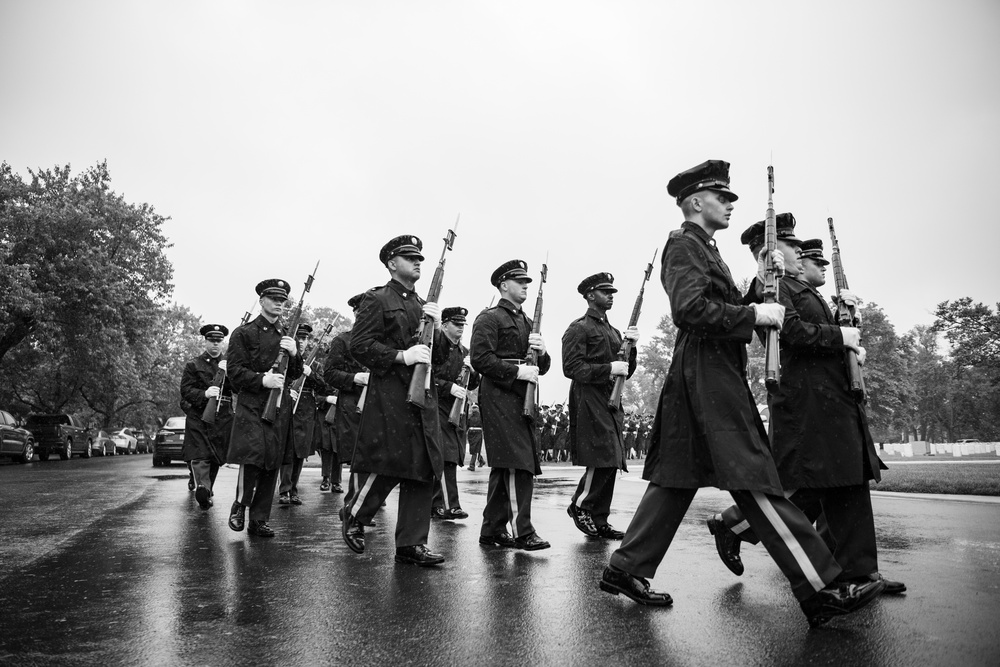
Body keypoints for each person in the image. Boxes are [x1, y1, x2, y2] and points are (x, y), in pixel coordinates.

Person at [599, 159, 885, 628]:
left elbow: (727, 304)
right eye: (722, 197)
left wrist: (757, 286)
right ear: (695, 202)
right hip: (707, 371)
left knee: (676, 477)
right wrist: (756, 316)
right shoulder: (683, 245)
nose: (731, 204)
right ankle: (821, 586)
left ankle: (625, 567)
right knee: (753, 474)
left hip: (707, 369)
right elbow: (691, 310)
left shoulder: (705, 249)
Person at [706, 232, 905, 594]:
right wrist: (841, 336)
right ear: (771, 250)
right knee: (814, 486)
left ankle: (860, 572)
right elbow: (792, 333)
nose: (800, 252)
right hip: (809, 404)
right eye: (792, 246)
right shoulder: (778, 287)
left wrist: (849, 336)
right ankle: (733, 525)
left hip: (830, 400)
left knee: (844, 483)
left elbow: (819, 336)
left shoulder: (802, 289)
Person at [341, 235, 449, 566]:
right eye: (410, 257)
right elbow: (359, 345)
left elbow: (440, 358)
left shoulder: (423, 305)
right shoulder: (377, 299)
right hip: (390, 396)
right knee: (391, 461)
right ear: (392, 263)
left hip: (422, 398)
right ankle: (356, 516)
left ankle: (411, 544)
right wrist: (401, 356)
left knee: (421, 468)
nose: (418, 262)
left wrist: (439, 326)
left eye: (420, 258)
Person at [471, 259, 552, 551]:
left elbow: (543, 366)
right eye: (521, 282)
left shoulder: (527, 321)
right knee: (519, 464)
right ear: (504, 285)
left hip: (522, 394)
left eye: (528, 283)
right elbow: (480, 359)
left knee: (507, 464)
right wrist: (516, 371)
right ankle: (522, 532)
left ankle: (492, 530)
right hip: (500, 395)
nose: (526, 286)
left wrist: (542, 354)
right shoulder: (489, 318)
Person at [562, 272, 639, 540]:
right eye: (605, 292)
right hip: (589, 396)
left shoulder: (613, 331)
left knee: (613, 457)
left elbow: (626, 370)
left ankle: (599, 517)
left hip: (611, 398)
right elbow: (571, 367)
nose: (611, 296)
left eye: (612, 292)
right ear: (590, 295)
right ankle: (581, 505)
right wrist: (608, 368)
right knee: (602, 454)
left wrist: (632, 346)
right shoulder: (579, 328)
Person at [225, 279, 303, 538]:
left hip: (277, 406)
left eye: (283, 300)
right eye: (274, 299)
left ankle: (259, 519)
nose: (279, 303)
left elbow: (296, 373)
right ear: (262, 301)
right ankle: (240, 504)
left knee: (272, 460)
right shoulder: (243, 333)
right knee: (253, 457)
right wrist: (262, 380)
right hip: (252, 405)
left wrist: (295, 354)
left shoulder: (286, 336)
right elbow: (234, 373)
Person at [431, 306, 480, 520]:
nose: (461, 328)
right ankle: (449, 505)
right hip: (435, 406)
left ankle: (438, 504)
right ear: (443, 326)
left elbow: (473, 384)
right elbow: (425, 376)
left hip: (455, 410)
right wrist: (447, 386)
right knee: (445, 456)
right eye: (456, 324)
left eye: (462, 325)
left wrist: (474, 370)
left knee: (448, 456)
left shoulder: (465, 352)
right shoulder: (435, 347)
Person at [180, 324, 233, 509]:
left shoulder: (229, 364)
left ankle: (207, 489)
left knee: (215, 457)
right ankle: (202, 486)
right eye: (212, 340)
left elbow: (239, 387)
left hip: (222, 417)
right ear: (205, 341)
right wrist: (204, 394)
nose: (215, 345)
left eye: (219, 341)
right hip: (199, 416)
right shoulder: (193, 365)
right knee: (200, 455)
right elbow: (185, 390)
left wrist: (230, 371)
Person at [324, 294, 369, 498]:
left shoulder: (382, 341)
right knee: (359, 458)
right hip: (353, 405)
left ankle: (365, 501)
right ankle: (355, 508)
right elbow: (330, 373)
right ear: (356, 314)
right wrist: (355, 378)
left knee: (376, 457)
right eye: (362, 312)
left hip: (379, 405)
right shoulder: (342, 340)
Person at [279, 323, 321, 506]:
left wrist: (311, 374)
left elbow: (324, 386)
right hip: (288, 407)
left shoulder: (315, 363)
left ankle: (293, 489)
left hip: (305, 412)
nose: (302, 342)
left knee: (299, 453)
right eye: (299, 338)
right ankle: (284, 490)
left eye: (305, 339)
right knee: (287, 451)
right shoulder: (285, 359)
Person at [466, 400, 484, 470]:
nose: (474, 409)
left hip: (477, 433)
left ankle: (472, 465)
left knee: (475, 449)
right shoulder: (470, 416)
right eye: (473, 408)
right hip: (471, 434)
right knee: (476, 448)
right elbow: (467, 425)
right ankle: (481, 460)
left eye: (475, 407)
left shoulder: (480, 417)